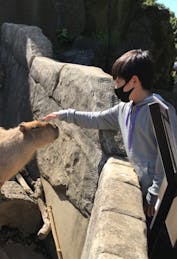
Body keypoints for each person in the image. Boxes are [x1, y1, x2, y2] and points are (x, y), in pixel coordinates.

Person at [43, 49, 177, 218]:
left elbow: (168, 158)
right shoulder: (125, 108)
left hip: (160, 198)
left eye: (118, 80)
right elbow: (96, 119)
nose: (115, 86)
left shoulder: (160, 111)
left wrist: (154, 193)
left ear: (134, 81)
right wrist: (65, 115)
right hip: (141, 187)